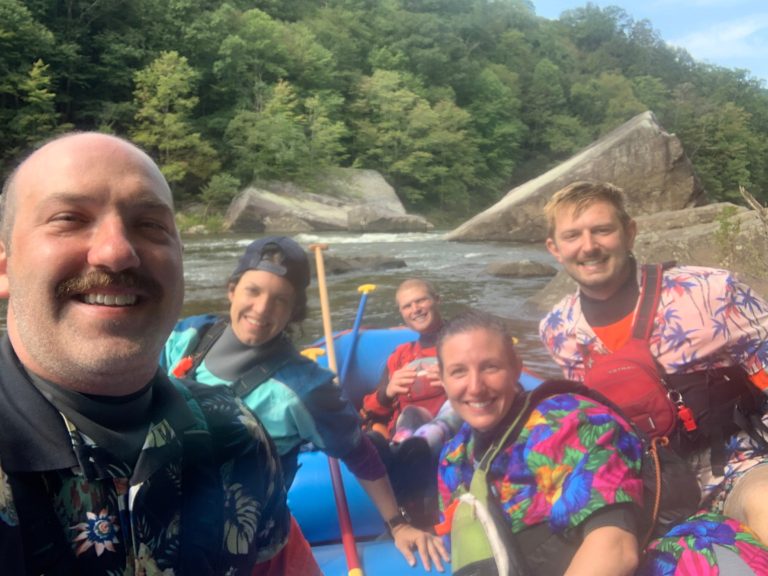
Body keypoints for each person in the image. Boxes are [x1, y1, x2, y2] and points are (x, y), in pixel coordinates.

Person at [0, 132, 296, 575]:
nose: (118, 252)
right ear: (4, 265)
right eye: (69, 218)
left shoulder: (237, 434)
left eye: (150, 225)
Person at [161, 237, 448, 571]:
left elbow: (360, 454)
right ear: (232, 290)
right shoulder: (185, 336)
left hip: (251, 545)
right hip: (169, 519)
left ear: (293, 311)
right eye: (253, 290)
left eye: (280, 299)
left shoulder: (306, 388)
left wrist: (397, 524)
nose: (262, 308)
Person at [437, 310, 768, 575]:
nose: (475, 387)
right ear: (442, 380)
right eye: (458, 372)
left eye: (490, 367)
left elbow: (614, 549)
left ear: (516, 368)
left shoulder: (572, 423)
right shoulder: (454, 458)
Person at [539, 180, 768, 544]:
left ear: (629, 233)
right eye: (573, 236)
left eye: (602, 230)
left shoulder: (710, 290)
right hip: (640, 483)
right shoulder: (558, 328)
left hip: (733, 468)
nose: (589, 246)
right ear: (554, 248)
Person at [360, 278, 449, 442]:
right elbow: (367, 412)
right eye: (407, 306)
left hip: (453, 433)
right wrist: (387, 392)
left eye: (421, 300)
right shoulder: (401, 355)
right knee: (409, 414)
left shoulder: (463, 344)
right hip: (406, 431)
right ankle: (402, 449)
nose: (415, 309)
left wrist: (454, 383)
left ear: (437, 300)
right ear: (401, 312)